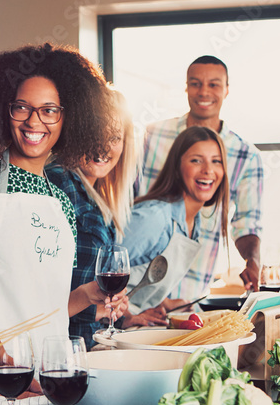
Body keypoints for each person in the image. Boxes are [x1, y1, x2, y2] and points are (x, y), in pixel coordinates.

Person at [0, 43, 125, 354]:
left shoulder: (61, 203)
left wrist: (86, 295)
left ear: (70, 117)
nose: (34, 122)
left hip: (47, 374)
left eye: (49, 110)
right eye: (22, 107)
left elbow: (40, 312)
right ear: (4, 109)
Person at [136, 55, 263, 296]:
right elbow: (129, 196)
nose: (204, 92)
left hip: (191, 288)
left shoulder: (247, 156)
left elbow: (247, 221)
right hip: (139, 284)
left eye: (214, 84)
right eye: (195, 83)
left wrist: (252, 261)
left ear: (226, 90)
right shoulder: (153, 135)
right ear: (186, 87)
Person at [45, 88, 139, 348]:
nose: (103, 147)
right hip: (58, 349)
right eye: (94, 133)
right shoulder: (59, 181)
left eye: (115, 137)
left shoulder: (98, 195)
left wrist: (119, 313)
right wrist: (92, 308)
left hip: (88, 345)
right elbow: (35, 292)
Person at [121, 126, 231, 324]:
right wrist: (127, 317)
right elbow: (99, 276)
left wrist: (164, 302)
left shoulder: (193, 223)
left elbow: (138, 279)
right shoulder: (153, 217)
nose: (208, 170)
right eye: (196, 160)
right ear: (177, 168)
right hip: (109, 331)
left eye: (216, 161)